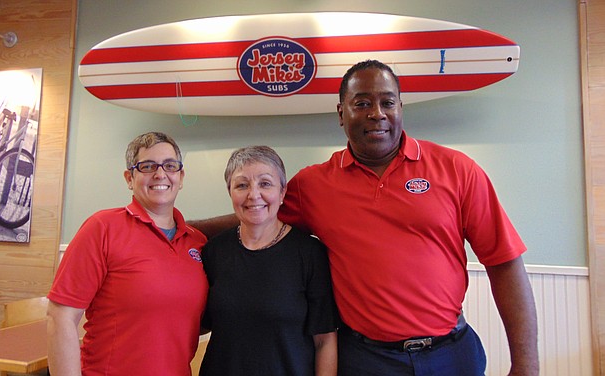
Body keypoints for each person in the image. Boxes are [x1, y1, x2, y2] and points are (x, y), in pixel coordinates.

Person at [192, 60, 539, 376]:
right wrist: (178, 228)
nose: (377, 113)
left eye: (388, 102)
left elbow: (504, 263)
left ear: (401, 108)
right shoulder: (315, 184)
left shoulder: (457, 170)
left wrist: (525, 365)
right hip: (364, 360)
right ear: (341, 113)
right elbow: (258, 213)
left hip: (450, 356)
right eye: (362, 103)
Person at [47, 132, 208, 376]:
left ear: (181, 176)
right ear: (129, 178)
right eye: (147, 166)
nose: (160, 174)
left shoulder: (198, 242)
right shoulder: (101, 228)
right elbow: (60, 318)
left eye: (170, 166)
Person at [199, 146, 339, 376]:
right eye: (242, 185)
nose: (254, 195)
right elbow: (201, 324)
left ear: (283, 192)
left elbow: (324, 341)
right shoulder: (214, 251)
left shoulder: (310, 253)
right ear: (230, 191)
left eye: (265, 184)